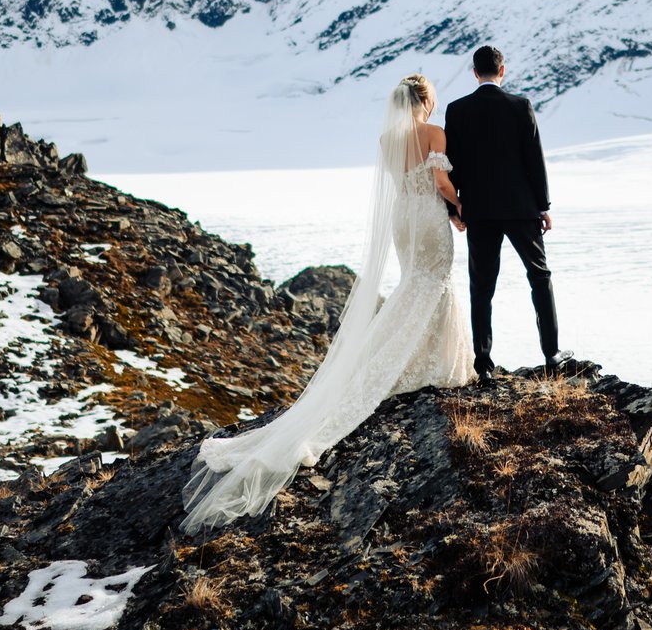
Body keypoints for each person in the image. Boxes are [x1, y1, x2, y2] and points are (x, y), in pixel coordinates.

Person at [181, 72, 470, 529]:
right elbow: (440, 180)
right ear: (425, 100)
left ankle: (408, 355)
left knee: (413, 283)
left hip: (402, 220)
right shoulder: (435, 133)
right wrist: (461, 208)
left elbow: (403, 182)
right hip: (429, 218)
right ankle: (434, 360)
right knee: (434, 281)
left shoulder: (385, 140)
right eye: (432, 98)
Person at [442, 43, 559, 379]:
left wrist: (455, 208)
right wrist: (543, 207)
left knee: (481, 287)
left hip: (478, 210)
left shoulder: (457, 110)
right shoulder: (520, 106)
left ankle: (484, 365)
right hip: (521, 208)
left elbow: (453, 165)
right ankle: (551, 354)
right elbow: (533, 160)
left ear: (475, 73)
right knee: (540, 277)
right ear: (502, 71)